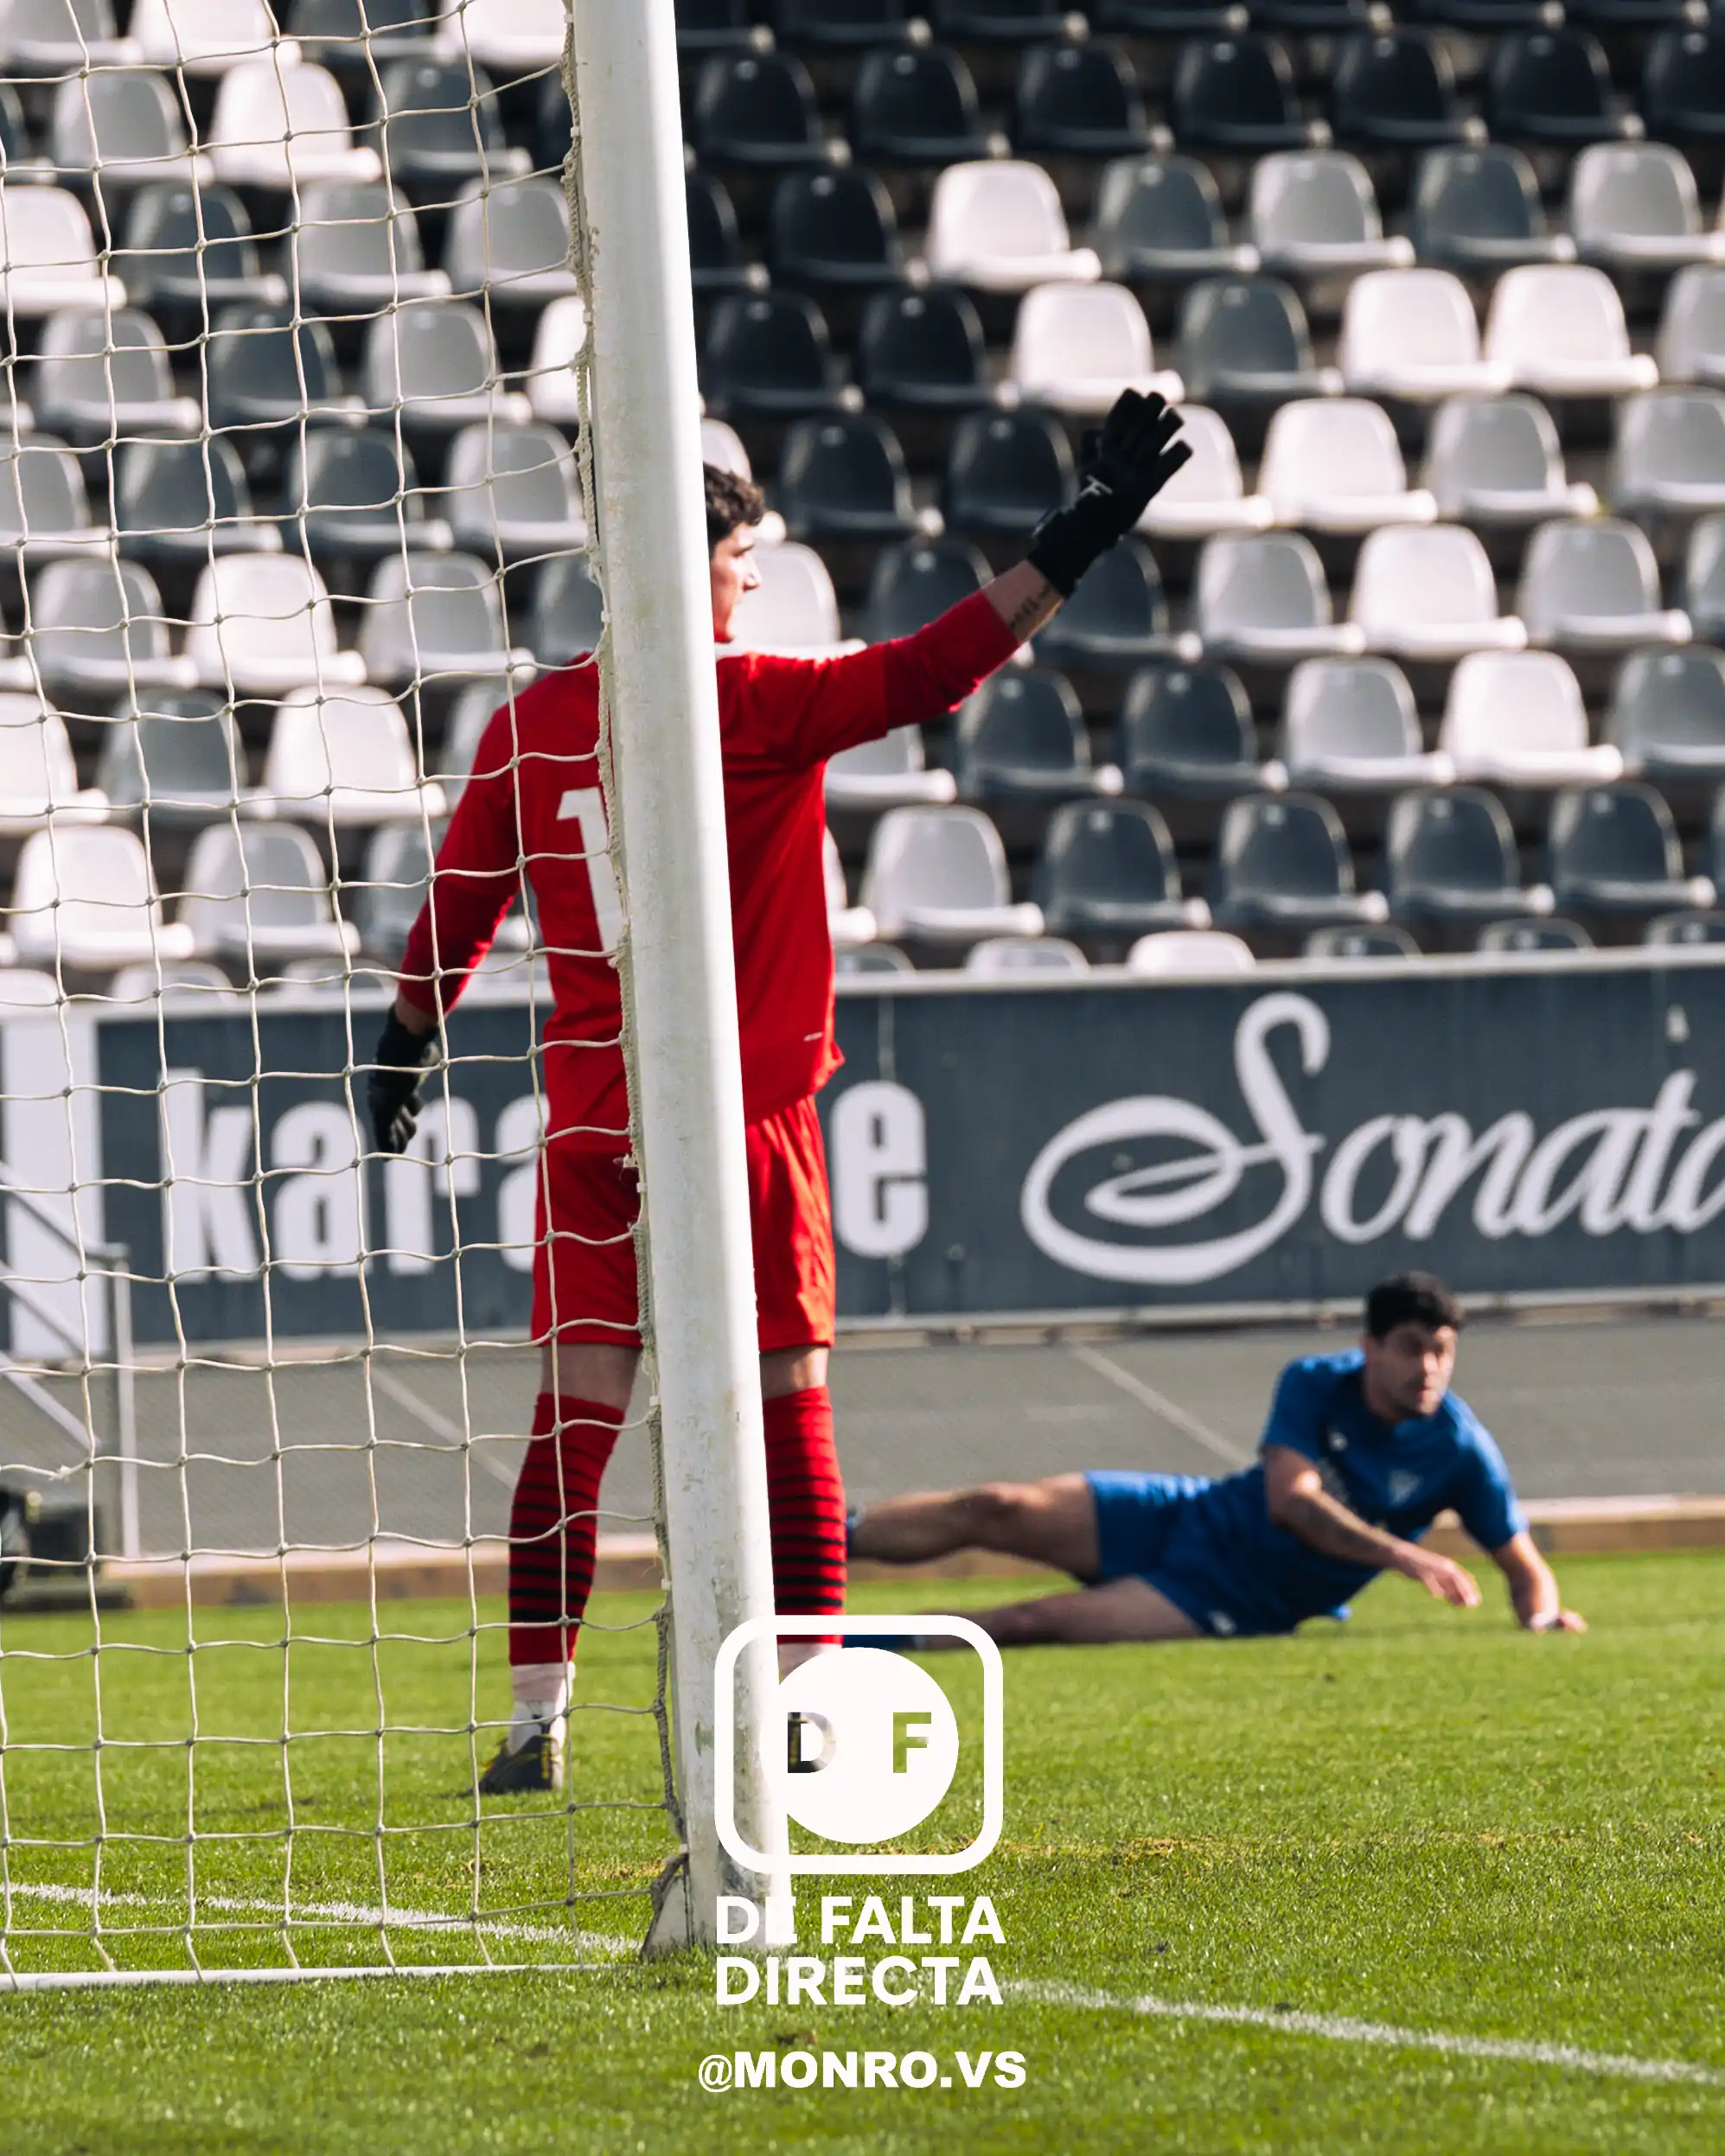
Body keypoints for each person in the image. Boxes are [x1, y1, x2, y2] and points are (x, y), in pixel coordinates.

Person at [366, 392, 1195, 1791]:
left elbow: (457, 907)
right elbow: (937, 669)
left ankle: (534, 1721)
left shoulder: (531, 725)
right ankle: (807, 1704)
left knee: (574, 1420)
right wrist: (1086, 530)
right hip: (743, 1116)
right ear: (693, 566)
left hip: (590, 1121)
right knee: (788, 1402)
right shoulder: (752, 703)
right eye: (745, 563)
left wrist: (401, 1045)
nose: (754, 588)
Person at [849, 1273, 1586, 1647]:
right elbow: (1289, 1502)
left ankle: (834, 1646)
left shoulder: (1458, 1448)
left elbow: (1524, 1568)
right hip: (1187, 1512)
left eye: (1441, 1351)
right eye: (1409, 1348)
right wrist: (1405, 1557)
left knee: (1028, 1621)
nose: (1426, 1368)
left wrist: (1542, 1619)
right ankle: (804, 1544)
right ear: (1369, 1348)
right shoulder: (1315, 1382)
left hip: (1231, 1599)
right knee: (995, 1506)